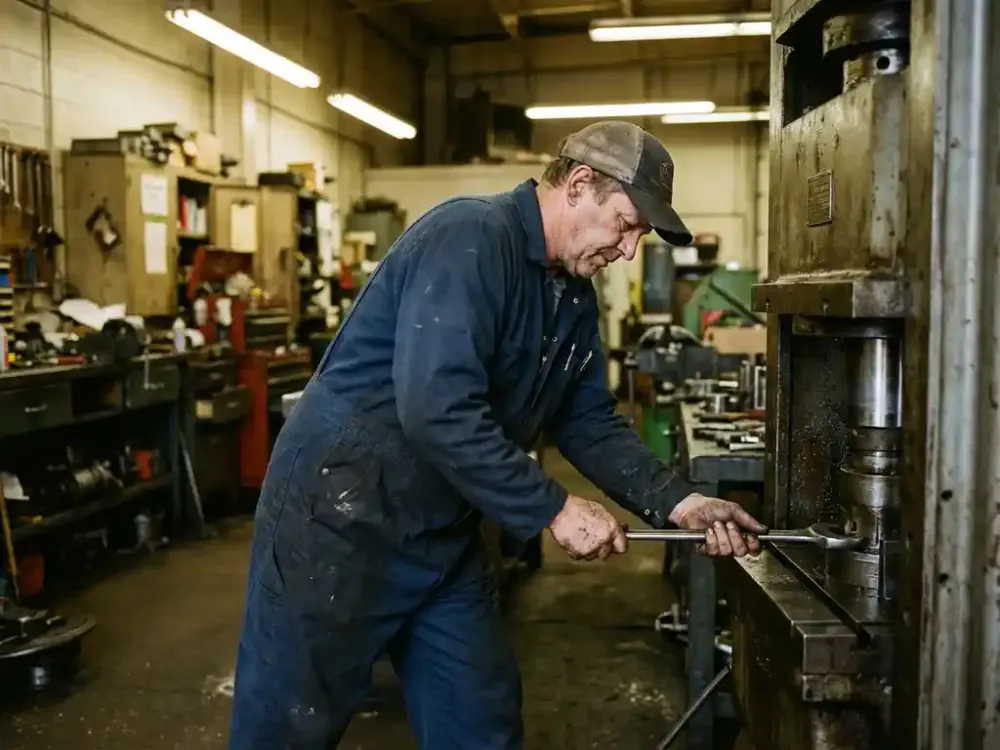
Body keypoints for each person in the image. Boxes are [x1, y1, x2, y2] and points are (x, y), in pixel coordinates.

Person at [228, 120, 766, 750]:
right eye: (625, 224)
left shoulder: (571, 298)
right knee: (288, 727)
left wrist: (681, 503)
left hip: (441, 533)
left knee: (479, 719)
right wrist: (553, 507)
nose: (627, 250)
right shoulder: (470, 238)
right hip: (338, 523)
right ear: (580, 185)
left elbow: (587, 418)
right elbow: (437, 408)